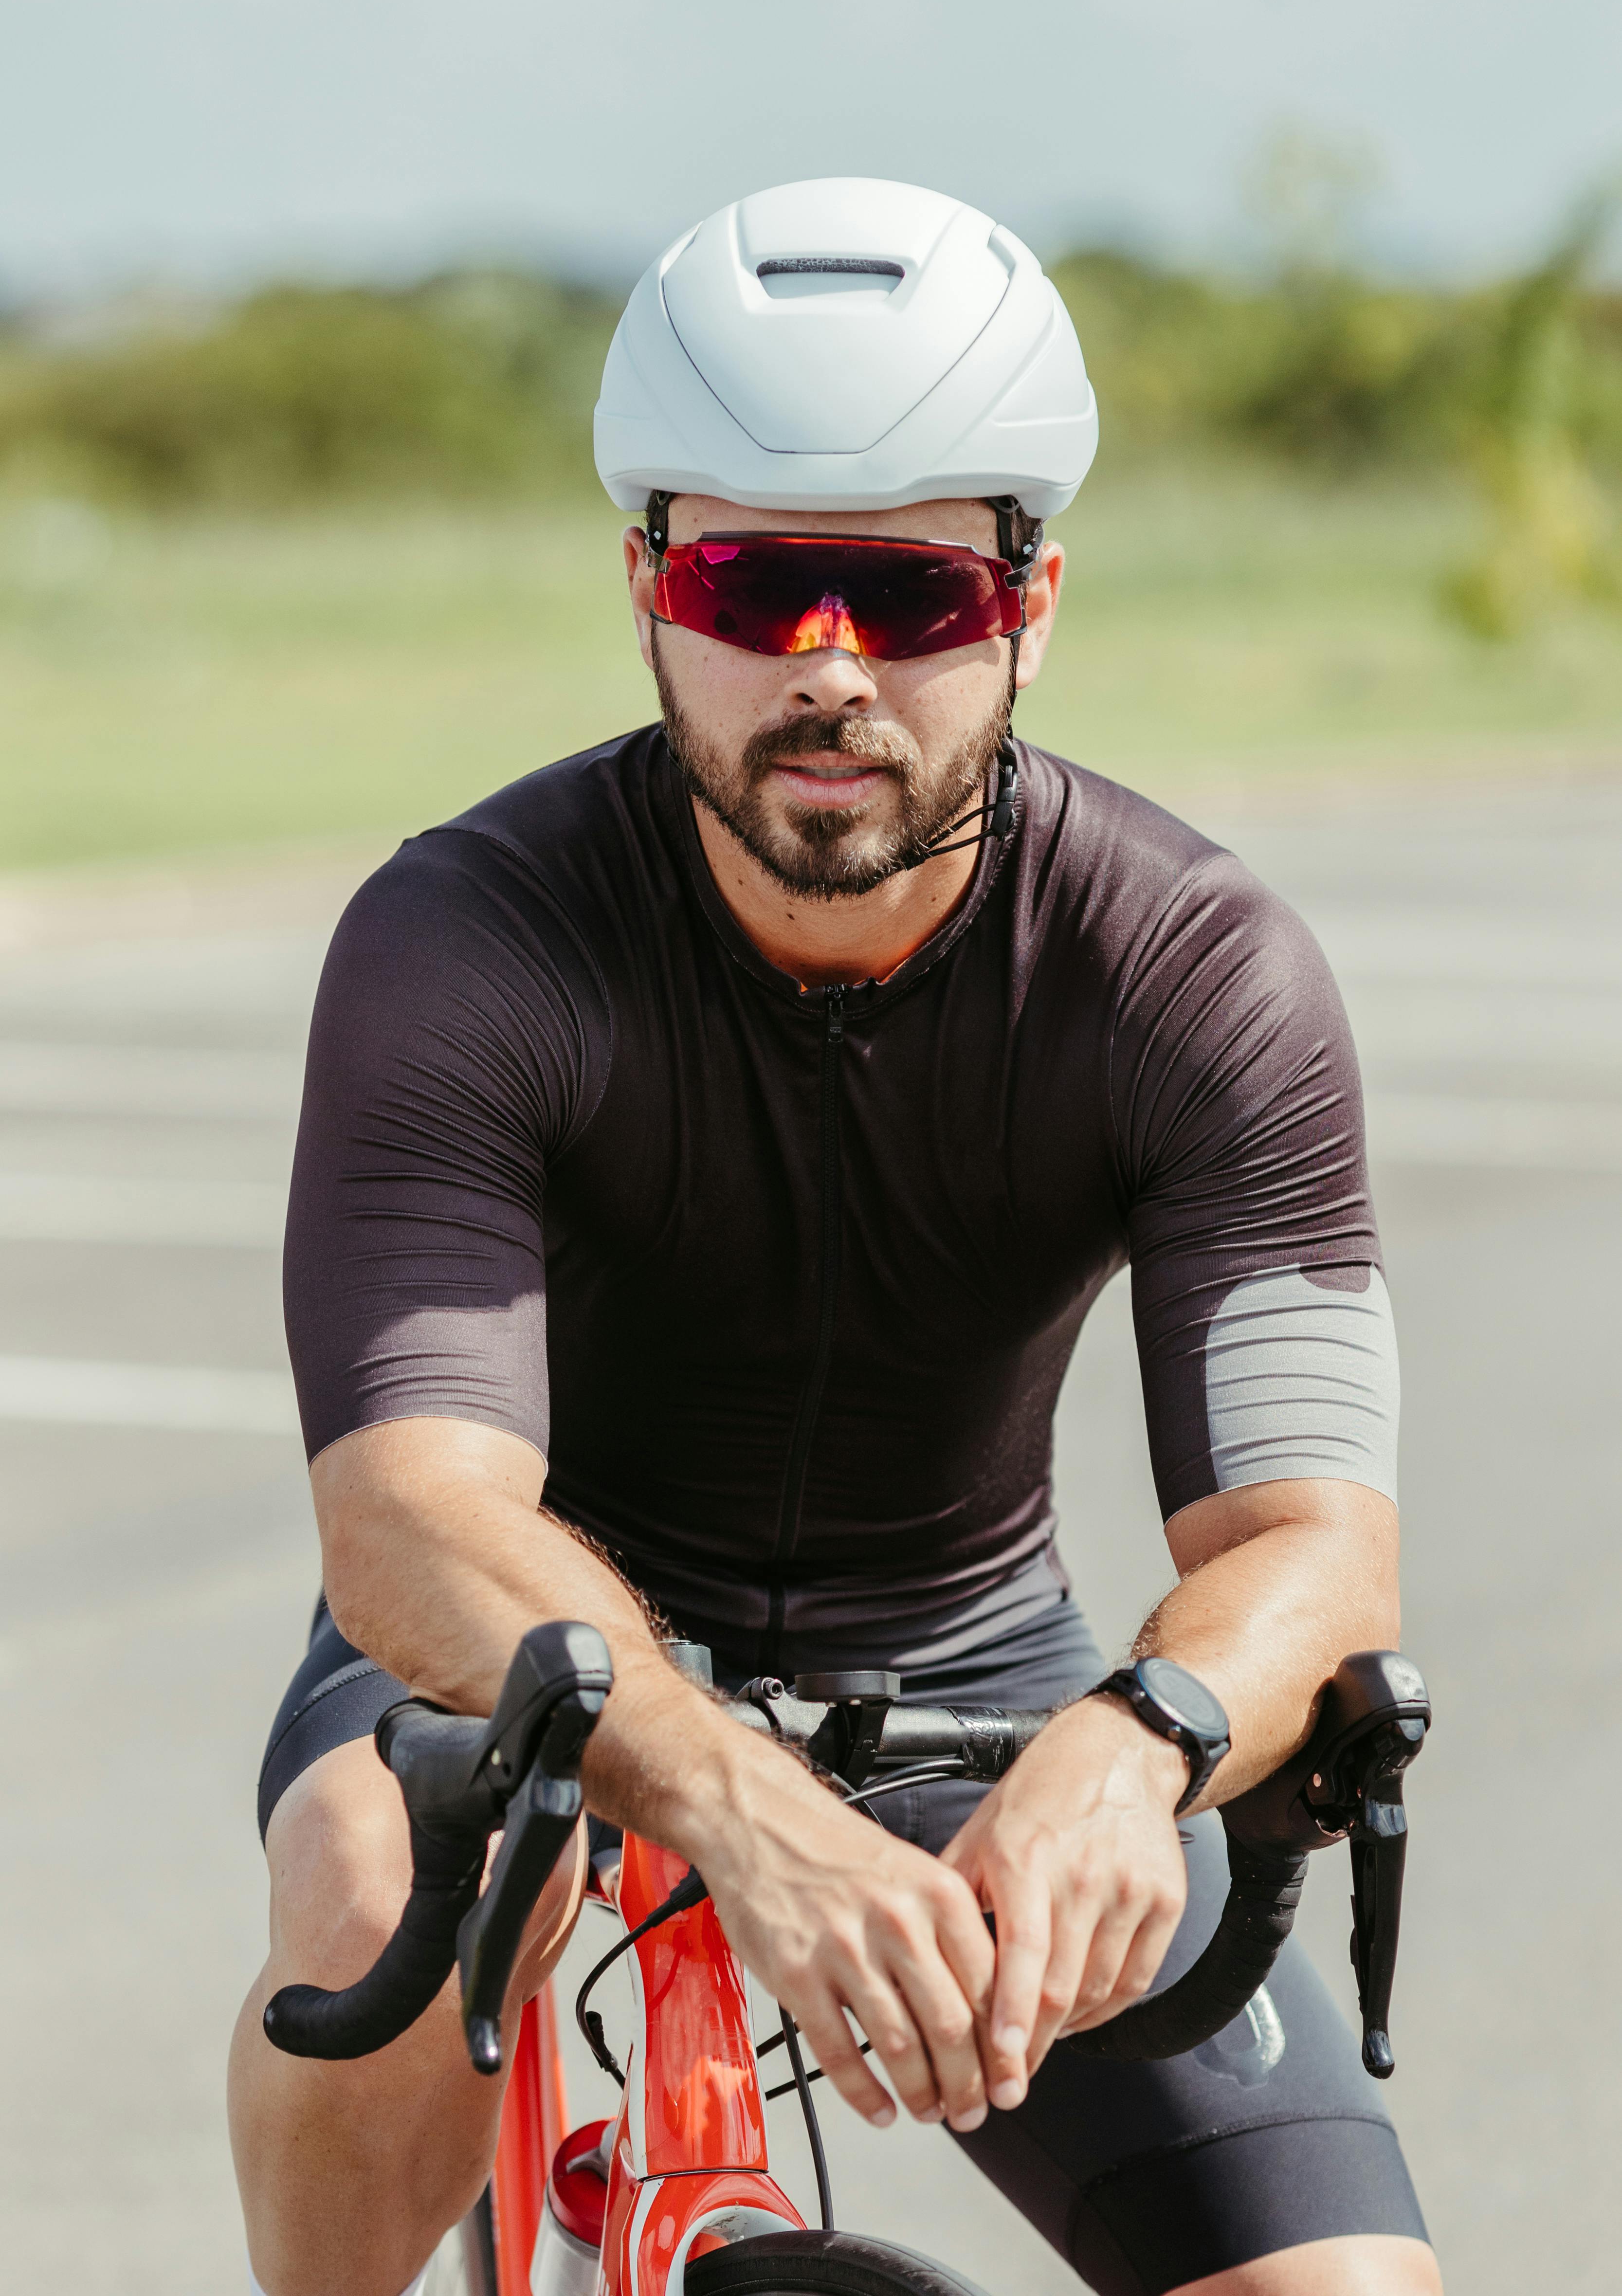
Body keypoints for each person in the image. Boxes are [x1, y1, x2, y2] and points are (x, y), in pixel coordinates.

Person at [229, 178, 1440, 2296]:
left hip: (974, 1666)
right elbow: (412, 1514)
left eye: (908, 599)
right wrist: (720, 1790)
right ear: (645, 588)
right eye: (755, 580)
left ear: (1033, 601)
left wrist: (1134, 1742)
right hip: (534, 1648)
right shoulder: (463, 939)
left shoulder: (1201, 973)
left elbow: (1316, 1545)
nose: (828, 670)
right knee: (366, 1872)